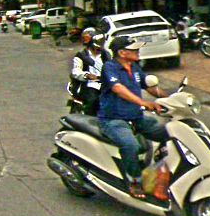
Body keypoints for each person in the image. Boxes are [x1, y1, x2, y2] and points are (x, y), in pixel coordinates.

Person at [98, 35, 168, 198]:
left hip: (136, 117)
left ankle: (159, 171)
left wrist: (170, 100)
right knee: (130, 146)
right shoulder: (110, 67)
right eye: (134, 49)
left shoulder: (135, 67)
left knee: (169, 132)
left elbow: (149, 87)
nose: (138, 51)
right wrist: (143, 102)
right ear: (122, 52)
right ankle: (134, 181)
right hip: (114, 120)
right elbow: (118, 88)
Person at [70, 28, 105, 115]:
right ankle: (89, 117)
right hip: (90, 84)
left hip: (106, 83)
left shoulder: (106, 54)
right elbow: (76, 71)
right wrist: (87, 75)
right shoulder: (81, 56)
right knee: (93, 100)